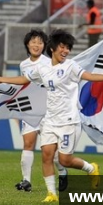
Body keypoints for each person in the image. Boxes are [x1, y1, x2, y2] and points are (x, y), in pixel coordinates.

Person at [0, 29, 103, 202]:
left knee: (65, 160)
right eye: (62, 47)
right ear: (52, 48)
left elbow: (89, 76)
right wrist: (3, 79)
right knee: (46, 156)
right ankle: (51, 194)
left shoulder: (71, 66)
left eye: (68, 48)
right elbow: (25, 79)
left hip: (69, 120)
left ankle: (91, 169)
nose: (66, 51)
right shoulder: (41, 67)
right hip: (50, 120)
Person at [14, 29, 68, 193]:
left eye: (40, 42)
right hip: (31, 109)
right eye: (33, 42)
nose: (36, 45)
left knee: (52, 151)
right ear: (27, 44)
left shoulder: (49, 62)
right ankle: (26, 181)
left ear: (45, 45)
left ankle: (63, 172)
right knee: (28, 143)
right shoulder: (23, 65)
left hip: (49, 110)